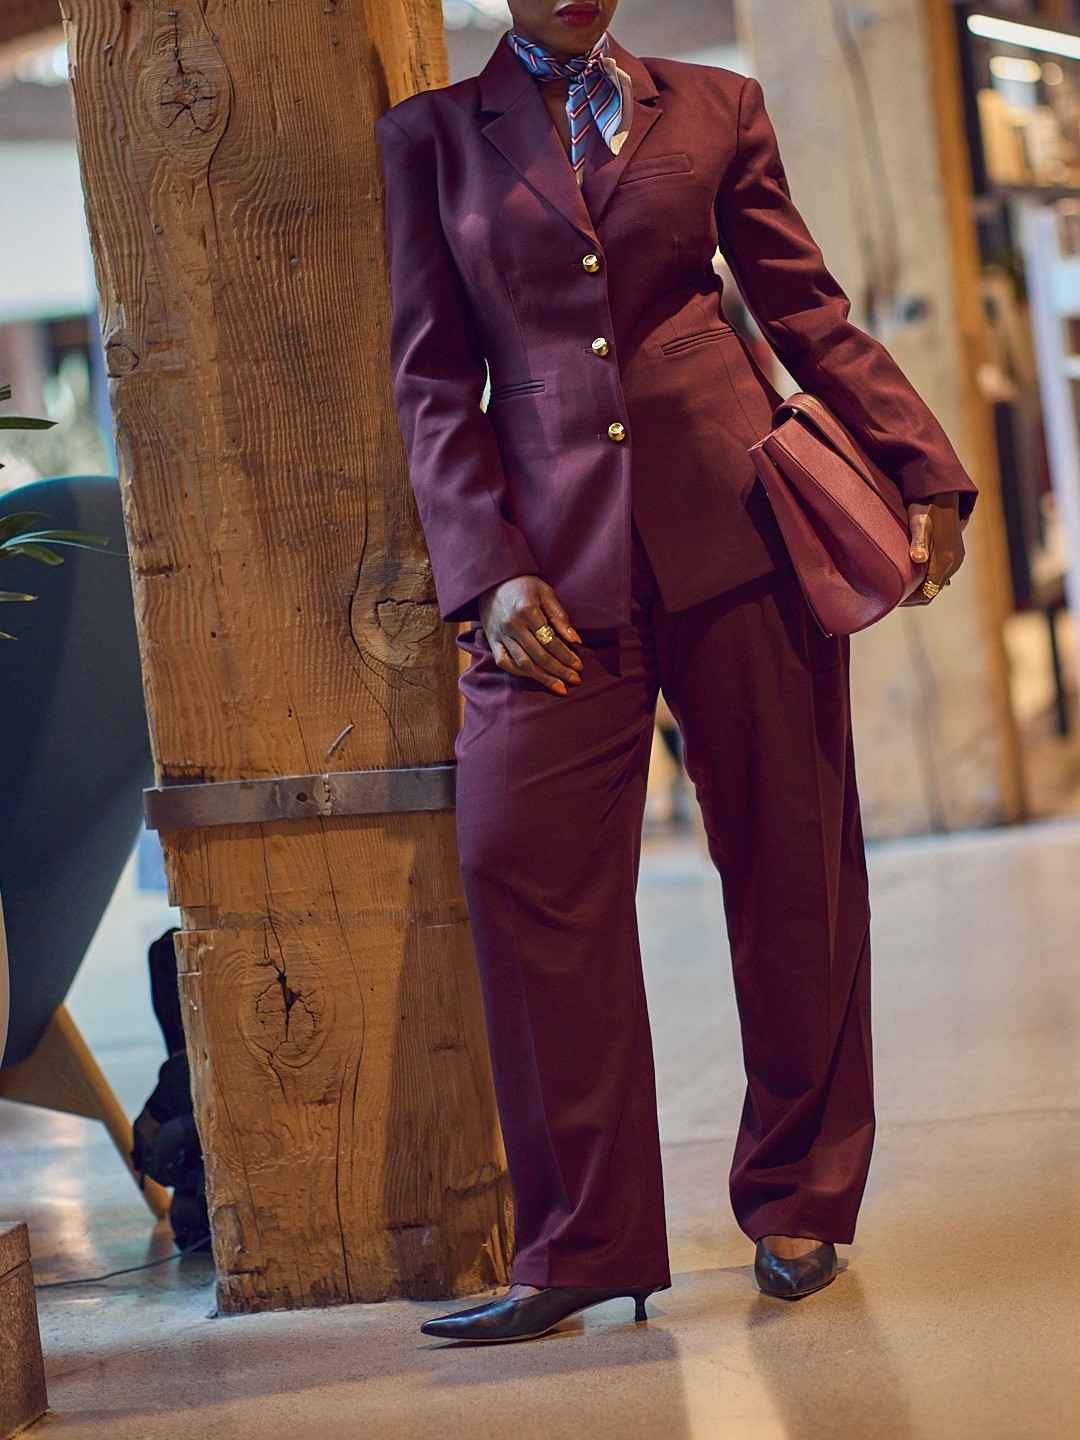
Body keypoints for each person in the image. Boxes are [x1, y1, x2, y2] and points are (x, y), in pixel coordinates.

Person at [375, 0, 977, 1344]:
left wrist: (922, 466)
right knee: (514, 853)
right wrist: (488, 568)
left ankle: (803, 1194)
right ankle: (584, 1239)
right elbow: (430, 377)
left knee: (794, 859)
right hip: (548, 568)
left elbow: (804, 310)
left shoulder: (715, 107)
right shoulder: (428, 141)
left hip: (740, 531)